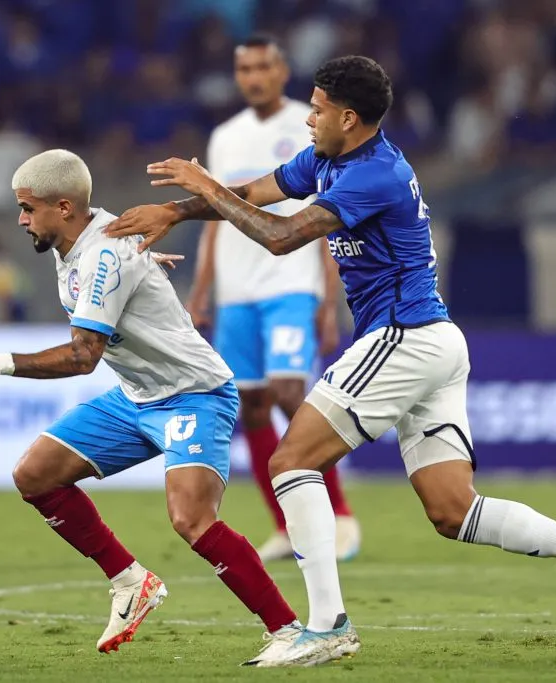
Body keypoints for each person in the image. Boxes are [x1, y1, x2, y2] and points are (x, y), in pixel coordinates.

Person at [106, 56, 556, 667]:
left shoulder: (376, 173)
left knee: (292, 460)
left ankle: (326, 626)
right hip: (436, 340)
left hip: (403, 335)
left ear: (349, 117)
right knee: (453, 510)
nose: (306, 118)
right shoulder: (329, 158)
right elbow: (257, 194)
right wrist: (179, 211)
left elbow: (282, 237)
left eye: (315, 109)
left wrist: (201, 184)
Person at [0, 149, 302, 665]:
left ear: (63, 207)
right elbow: (118, 270)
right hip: (137, 395)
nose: (21, 219)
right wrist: (145, 267)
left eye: (27, 208)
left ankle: (288, 630)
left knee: (191, 520)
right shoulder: (84, 245)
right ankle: (132, 582)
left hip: (193, 393)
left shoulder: (102, 254)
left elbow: (84, 356)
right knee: (35, 475)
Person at [189, 33, 360, 562]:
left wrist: (328, 300)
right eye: (245, 70)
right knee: (253, 406)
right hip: (237, 291)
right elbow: (215, 215)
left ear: (282, 70)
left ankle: (339, 518)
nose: (254, 77)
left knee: (290, 392)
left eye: (263, 67)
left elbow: (326, 216)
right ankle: (287, 527)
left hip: (291, 283)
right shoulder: (224, 137)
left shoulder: (309, 124)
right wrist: (201, 291)